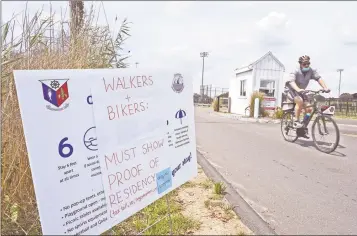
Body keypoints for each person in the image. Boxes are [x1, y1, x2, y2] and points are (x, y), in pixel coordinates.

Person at [286, 55, 330, 136]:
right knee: (300, 101)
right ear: (300, 64)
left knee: (309, 109)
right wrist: (298, 89)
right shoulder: (295, 70)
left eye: (308, 63)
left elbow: (318, 78)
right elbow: (291, 82)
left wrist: (325, 87)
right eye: (304, 64)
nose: (306, 65)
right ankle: (296, 120)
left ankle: (303, 126)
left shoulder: (311, 71)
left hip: (302, 91)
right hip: (293, 90)